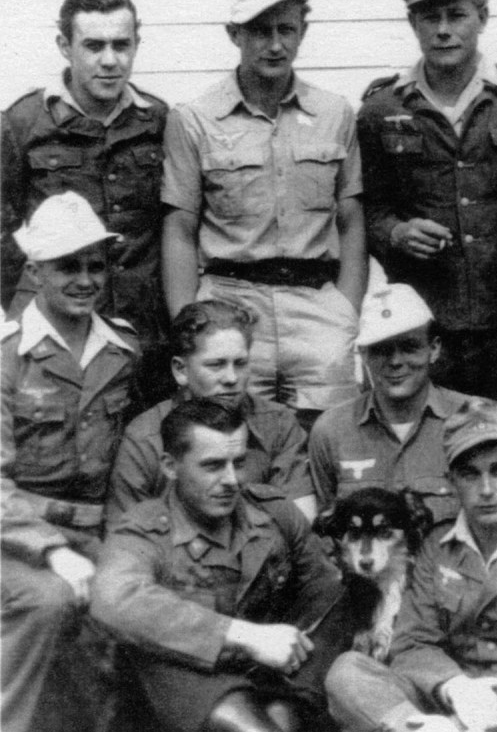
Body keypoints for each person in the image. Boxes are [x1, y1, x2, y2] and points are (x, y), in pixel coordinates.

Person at [161, 0, 366, 429]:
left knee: (331, 436)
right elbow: (179, 229)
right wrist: (189, 326)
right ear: (234, 34)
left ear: (302, 33)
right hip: (230, 303)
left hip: (317, 309)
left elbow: (351, 221)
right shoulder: (194, 119)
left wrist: (346, 310)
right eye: (259, 31)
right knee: (229, 436)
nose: (274, 45)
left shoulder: (335, 114)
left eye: (286, 30)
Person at [325, 397, 497, 732]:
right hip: (449, 697)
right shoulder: (437, 544)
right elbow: (413, 643)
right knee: (348, 671)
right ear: (451, 480)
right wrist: (454, 687)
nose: (486, 490)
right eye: (470, 474)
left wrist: (475, 715)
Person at [358, 0, 497, 405]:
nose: (444, 30)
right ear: (413, 24)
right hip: (424, 326)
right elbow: (365, 211)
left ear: (482, 17)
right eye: (430, 17)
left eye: (457, 15)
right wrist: (398, 233)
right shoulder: (381, 110)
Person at [92, 399, 344, 732]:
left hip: (273, 679)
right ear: (170, 465)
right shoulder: (145, 530)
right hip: (187, 682)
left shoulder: (274, 514)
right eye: (212, 466)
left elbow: (328, 598)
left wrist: (294, 695)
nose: (231, 480)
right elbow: (113, 600)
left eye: (238, 463)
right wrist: (244, 636)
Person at [1, 192, 139, 732]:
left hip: (98, 529)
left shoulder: (123, 349)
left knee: (136, 600)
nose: (85, 280)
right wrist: (54, 552)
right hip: (17, 537)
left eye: (95, 266)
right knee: (47, 602)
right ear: (34, 270)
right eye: (67, 267)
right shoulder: (9, 354)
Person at [1, 0, 169, 406]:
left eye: (122, 45)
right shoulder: (22, 124)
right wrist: (23, 313)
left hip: (144, 335)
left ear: (137, 44)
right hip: (60, 337)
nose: (110, 61)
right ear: (64, 45)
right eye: (94, 46)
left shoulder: (159, 120)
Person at [107, 299, 315, 528]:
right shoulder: (145, 437)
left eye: (240, 363)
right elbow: (127, 536)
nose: (231, 378)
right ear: (181, 370)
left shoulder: (278, 424)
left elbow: (301, 522)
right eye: (216, 365)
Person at [308, 283, 468, 525]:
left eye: (409, 347)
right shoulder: (331, 431)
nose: (395, 361)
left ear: (434, 349)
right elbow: (326, 533)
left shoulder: (473, 418)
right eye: (381, 350)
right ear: (363, 355)